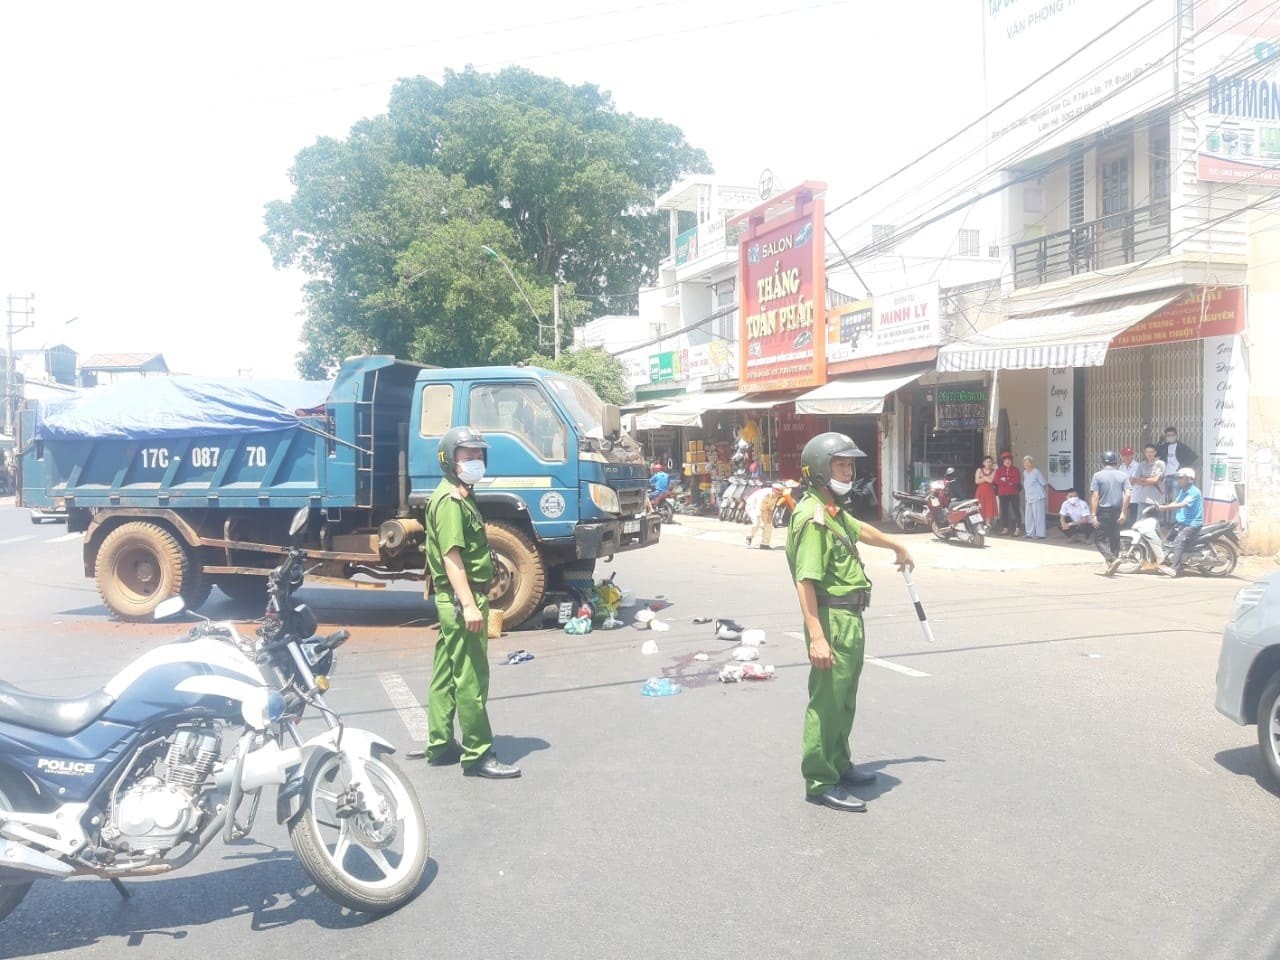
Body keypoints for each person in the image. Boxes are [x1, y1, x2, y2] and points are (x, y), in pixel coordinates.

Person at [787, 432, 914, 813]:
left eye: (850, 464)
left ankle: (839, 764)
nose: (848, 470)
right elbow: (805, 580)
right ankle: (820, 779)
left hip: (851, 617)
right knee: (826, 702)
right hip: (832, 618)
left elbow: (862, 529)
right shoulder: (812, 518)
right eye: (840, 464)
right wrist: (816, 637)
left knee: (844, 700)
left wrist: (898, 545)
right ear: (819, 471)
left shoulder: (831, 510)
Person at [423, 427, 521, 779]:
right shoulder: (450, 502)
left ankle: (439, 744)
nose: (475, 462)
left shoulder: (461, 495)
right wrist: (469, 604)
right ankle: (478, 754)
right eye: (467, 457)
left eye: (478, 456)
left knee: (446, 673)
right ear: (449, 461)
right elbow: (452, 559)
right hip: (461, 600)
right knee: (472, 679)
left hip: (451, 601)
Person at [1089, 450, 1132, 576]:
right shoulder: (1123, 475)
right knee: (1115, 538)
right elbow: (1128, 494)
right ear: (1115, 461)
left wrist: (1093, 514)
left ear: (1103, 461)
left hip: (1104, 512)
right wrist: (1123, 512)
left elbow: (1095, 496)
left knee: (1099, 539)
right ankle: (1112, 565)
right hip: (1117, 511)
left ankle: (1112, 560)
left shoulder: (1097, 476)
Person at [1156, 467, 1204, 577]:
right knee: (1167, 541)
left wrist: (1165, 508)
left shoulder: (1194, 492)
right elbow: (1176, 501)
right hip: (1182, 523)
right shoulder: (1183, 490)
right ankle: (1168, 562)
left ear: (1190, 479)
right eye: (1179, 478)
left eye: (1181, 478)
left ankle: (1175, 568)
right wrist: (1164, 506)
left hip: (1192, 524)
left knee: (1178, 541)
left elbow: (1182, 504)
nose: (1179, 480)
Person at [1158, 427, 1198, 504]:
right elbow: (1155, 452)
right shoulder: (1164, 447)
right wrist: (1160, 441)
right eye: (1168, 435)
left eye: (1172, 435)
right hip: (1165, 477)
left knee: (1175, 502)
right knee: (1164, 502)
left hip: (1177, 477)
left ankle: (1175, 516)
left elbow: (1193, 457)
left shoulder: (1181, 447)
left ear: (1176, 435)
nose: (1170, 437)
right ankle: (1167, 516)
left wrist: (1182, 466)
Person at [1129, 443, 1165, 524]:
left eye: (1151, 452)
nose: (1149, 454)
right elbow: (1135, 480)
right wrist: (1148, 480)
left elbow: (1155, 480)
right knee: (1139, 522)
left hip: (1156, 498)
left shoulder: (1160, 463)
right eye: (1147, 452)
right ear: (1144, 453)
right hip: (1143, 498)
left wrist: (1144, 479)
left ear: (1155, 452)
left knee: (1156, 524)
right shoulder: (1142, 464)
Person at [746, 481, 783, 550]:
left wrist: (769, 518)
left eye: (779, 494)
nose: (778, 496)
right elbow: (758, 507)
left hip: (764, 508)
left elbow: (770, 508)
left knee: (768, 525)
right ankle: (749, 536)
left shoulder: (775, 496)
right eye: (777, 494)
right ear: (773, 490)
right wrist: (761, 520)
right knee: (757, 523)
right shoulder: (765, 494)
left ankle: (764, 544)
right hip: (752, 506)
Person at [994, 450, 1022, 536]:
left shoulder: (1016, 469)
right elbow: (997, 481)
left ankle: (1018, 529)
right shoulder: (999, 470)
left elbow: (1016, 480)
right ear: (1003, 461)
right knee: (1004, 511)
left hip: (1014, 493)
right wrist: (1009, 481)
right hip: (1002, 494)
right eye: (1005, 460)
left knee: (1016, 511)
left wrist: (1005, 480)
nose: (1007, 461)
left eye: (1009, 459)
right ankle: (1005, 528)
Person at [1022, 455, 1048, 539]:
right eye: (1025, 462)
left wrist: (1041, 494)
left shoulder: (1036, 471)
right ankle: (1029, 533)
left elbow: (1044, 483)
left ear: (1032, 463)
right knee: (1028, 516)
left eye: (1028, 462)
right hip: (1029, 497)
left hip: (1037, 497)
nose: (1026, 464)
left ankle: (1040, 534)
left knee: (1038, 516)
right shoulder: (1025, 472)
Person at [974, 455, 998, 528]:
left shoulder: (994, 471)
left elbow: (991, 481)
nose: (988, 463)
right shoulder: (979, 470)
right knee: (980, 507)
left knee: (989, 508)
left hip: (989, 492)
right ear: (983, 463)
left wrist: (983, 477)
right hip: (980, 492)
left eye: (990, 462)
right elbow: (977, 481)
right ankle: (980, 525)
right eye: (987, 462)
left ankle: (987, 525)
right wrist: (986, 479)